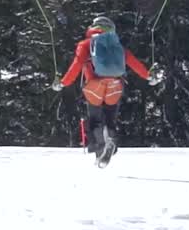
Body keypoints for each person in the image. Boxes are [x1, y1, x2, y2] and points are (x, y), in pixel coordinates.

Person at [52, 16, 160, 155]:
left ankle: (100, 146)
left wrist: (62, 83)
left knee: (95, 119)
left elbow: (77, 64)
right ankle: (111, 140)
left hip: (94, 85)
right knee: (110, 118)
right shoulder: (116, 45)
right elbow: (133, 62)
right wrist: (148, 76)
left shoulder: (86, 44)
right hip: (115, 84)